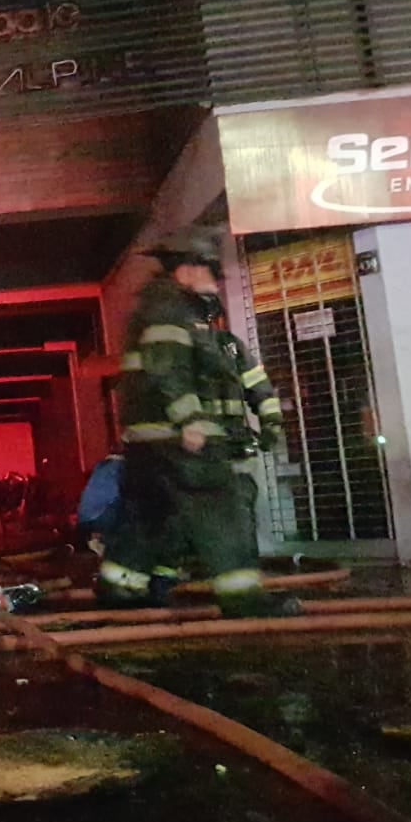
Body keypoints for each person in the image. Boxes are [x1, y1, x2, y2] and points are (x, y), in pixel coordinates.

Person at [98, 225, 299, 618]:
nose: (213, 282)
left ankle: (119, 589)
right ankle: (243, 597)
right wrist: (190, 419)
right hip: (175, 436)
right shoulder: (171, 309)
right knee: (221, 508)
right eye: (208, 271)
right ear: (186, 270)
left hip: (147, 441)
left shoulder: (158, 307)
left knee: (148, 516)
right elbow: (167, 367)